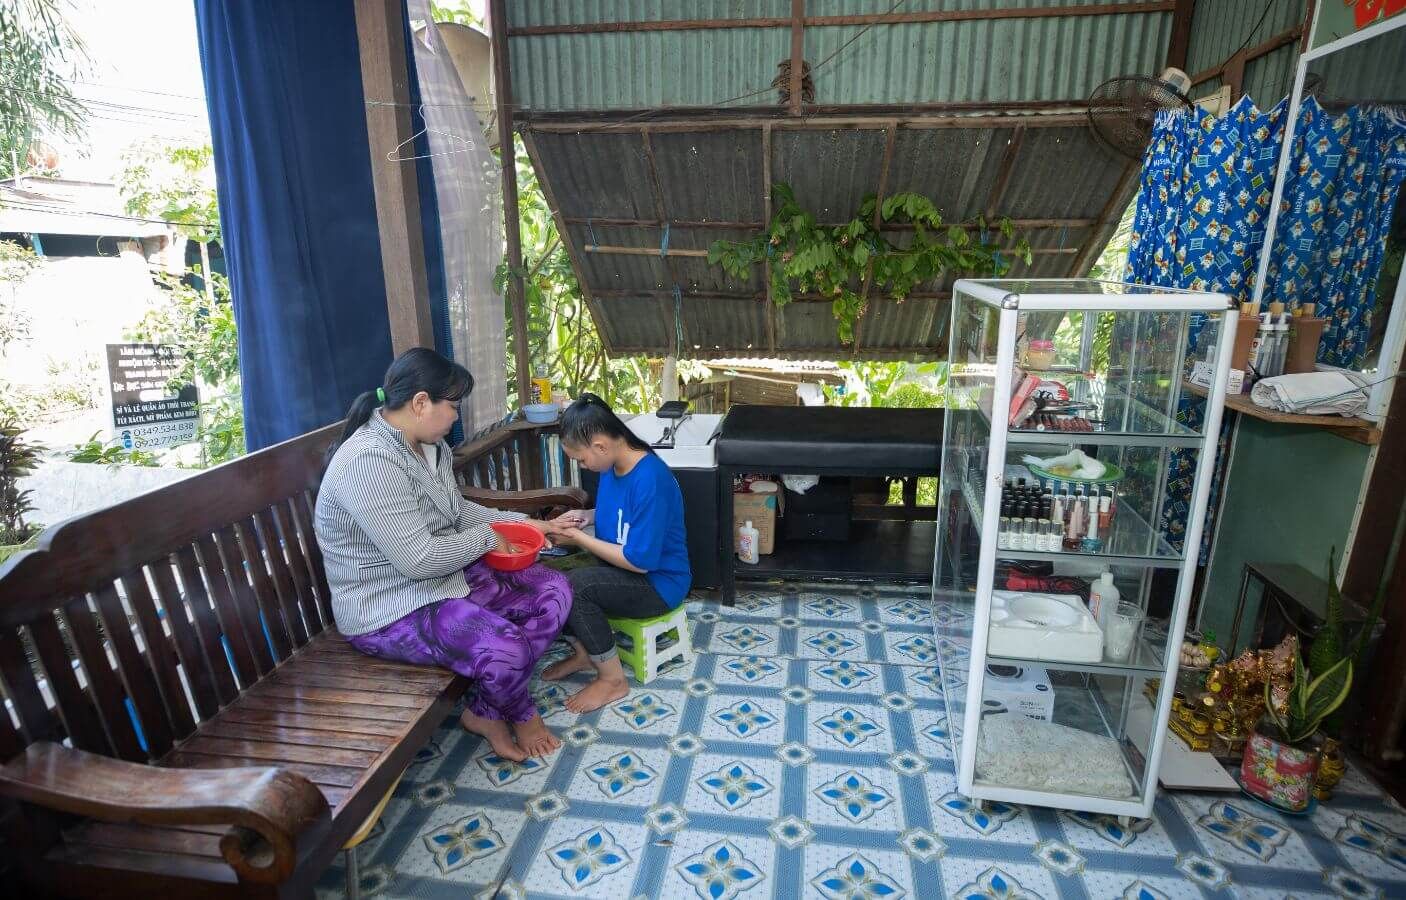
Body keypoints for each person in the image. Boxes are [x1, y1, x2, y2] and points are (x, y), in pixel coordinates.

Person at [315, 348, 570, 762]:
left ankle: (484, 712)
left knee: (554, 590)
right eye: (451, 407)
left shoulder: (428, 445)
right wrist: (489, 538)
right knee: (508, 649)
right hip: (390, 606)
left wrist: (526, 526)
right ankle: (523, 717)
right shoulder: (368, 463)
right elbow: (418, 560)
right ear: (420, 403)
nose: (455, 417)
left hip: (443, 580)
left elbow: (455, 511)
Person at [541, 394, 691, 712]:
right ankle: (586, 652)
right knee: (547, 575)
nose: (583, 467)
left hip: (658, 584)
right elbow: (622, 512)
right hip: (620, 570)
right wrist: (588, 517)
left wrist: (580, 539)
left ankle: (612, 680)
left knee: (577, 587)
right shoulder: (614, 466)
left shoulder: (650, 479)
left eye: (581, 460)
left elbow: (639, 562)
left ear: (600, 446)